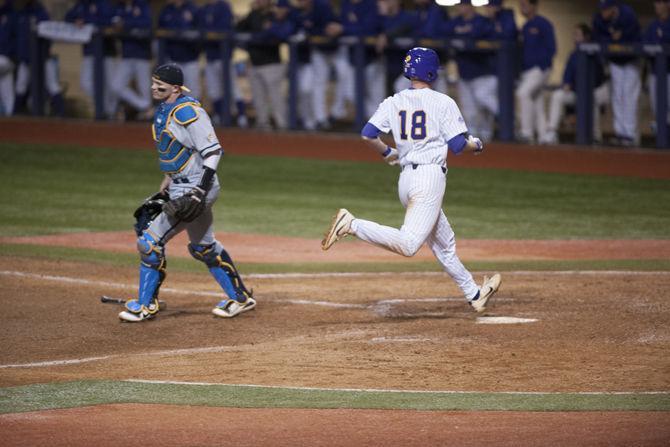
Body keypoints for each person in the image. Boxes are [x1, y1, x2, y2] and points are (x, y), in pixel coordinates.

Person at [321, 47, 501, 313]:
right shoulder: (442, 102)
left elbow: (368, 134)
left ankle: (473, 293)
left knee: (444, 244)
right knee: (409, 245)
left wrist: (388, 153)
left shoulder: (394, 100)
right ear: (432, 72)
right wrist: (478, 144)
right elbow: (458, 145)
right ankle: (352, 224)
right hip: (428, 179)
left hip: (406, 181)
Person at [119, 63, 255, 322]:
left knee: (149, 242)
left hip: (197, 186)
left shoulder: (188, 112)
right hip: (182, 184)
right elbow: (177, 151)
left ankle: (145, 305)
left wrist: (198, 191)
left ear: (175, 88)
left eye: (160, 85)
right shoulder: (165, 110)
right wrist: (168, 181)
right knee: (204, 247)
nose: (153, 88)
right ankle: (239, 298)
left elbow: (213, 151)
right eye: (153, 83)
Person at [546, 23, 609, 144]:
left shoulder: (594, 53)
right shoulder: (573, 55)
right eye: (574, 35)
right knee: (557, 96)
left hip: (595, 91)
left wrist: (574, 86)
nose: (575, 38)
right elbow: (567, 74)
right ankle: (551, 132)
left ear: (586, 37)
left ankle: (595, 135)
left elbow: (596, 79)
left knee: (592, 98)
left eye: (578, 35)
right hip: (577, 92)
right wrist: (566, 83)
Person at [444, 0, 497, 141]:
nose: (460, 7)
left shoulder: (482, 21)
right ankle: (473, 139)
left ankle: (494, 130)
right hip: (464, 72)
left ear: (470, 5)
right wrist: (463, 35)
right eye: (459, 4)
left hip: (483, 72)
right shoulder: (455, 22)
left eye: (463, 4)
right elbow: (445, 33)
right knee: (469, 111)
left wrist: (463, 35)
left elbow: (480, 34)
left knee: (484, 104)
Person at [236, 0, 293, 130]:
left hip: (272, 63)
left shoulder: (275, 15)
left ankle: (283, 125)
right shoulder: (253, 15)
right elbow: (238, 29)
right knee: (258, 97)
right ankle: (262, 124)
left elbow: (281, 34)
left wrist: (257, 38)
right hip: (254, 61)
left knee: (276, 97)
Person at [592, 0, 641, 146]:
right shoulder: (599, 19)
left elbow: (635, 35)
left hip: (632, 61)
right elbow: (598, 38)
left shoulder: (627, 14)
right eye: (602, 9)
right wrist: (612, 39)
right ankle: (620, 133)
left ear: (614, 8)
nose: (603, 12)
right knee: (617, 96)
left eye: (606, 9)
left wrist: (621, 37)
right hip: (615, 61)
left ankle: (630, 134)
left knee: (629, 96)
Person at [290, 0, 342, 130]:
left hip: (338, 48)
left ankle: (336, 112)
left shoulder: (322, 6)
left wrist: (310, 33)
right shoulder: (298, 12)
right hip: (317, 51)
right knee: (313, 86)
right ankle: (319, 119)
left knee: (346, 80)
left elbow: (329, 27)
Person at [197, 0, 248, 128]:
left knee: (232, 87)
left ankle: (242, 116)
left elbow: (223, 28)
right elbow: (200, 29)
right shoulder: (205, 8)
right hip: (210, 55)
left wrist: (209, 34)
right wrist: (207, 35)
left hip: (224, 56)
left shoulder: (224, 6)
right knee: (214, 89)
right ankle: (218, 115)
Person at [65, 0, 118, 119]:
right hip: (89, 50)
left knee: (110, 84)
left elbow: (111, 23)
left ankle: (111, 112)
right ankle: (103, 108)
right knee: (85, 82)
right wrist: (76, 21)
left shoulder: (105, 4)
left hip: (107, 51)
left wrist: (89, 21)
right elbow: (67, 17)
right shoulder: (82, 5)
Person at [515, 0, 556, 143]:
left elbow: (552, 48)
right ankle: (543, 136)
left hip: (539, 69)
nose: (522, 7)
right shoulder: (525, 26)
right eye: (521, 5)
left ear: (533, 6)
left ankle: (526, 132)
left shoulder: (543, 23)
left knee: (523, 93)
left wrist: (543, 66)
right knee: (536, 101)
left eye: (525, 5)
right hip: (527, 71)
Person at [110, 0, 153, 120]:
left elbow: (146, 24)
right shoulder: (119, 7)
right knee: (116, 85)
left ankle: (148, 116)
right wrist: (129, 25)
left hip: (142, 54)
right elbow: (114, 24)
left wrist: (126, 25)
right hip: (126, 54)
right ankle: (144, 106)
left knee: (144, 88)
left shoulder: (142, 5)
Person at [158, 0, 201, 100]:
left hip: (190, 58)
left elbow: (200, 32)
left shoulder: (193, 8)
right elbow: (159, 31)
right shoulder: (167, 9)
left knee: (193, 93)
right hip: (172, 58)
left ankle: (194, 115)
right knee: (171, 94)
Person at [644, 0, 670, 134]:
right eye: (656, 3)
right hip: (655, 72)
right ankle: (662, 139)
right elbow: (644, 45)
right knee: (657, 108)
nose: (657, 6)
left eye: (660, 3)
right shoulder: (653, 25)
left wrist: (663, 36)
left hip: (669, 72)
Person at [0, 0, 16, 116]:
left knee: (8, 94)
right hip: (6, 58)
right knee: (8, 95)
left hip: (5, 58)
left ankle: (9, 121)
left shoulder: (12, 15)